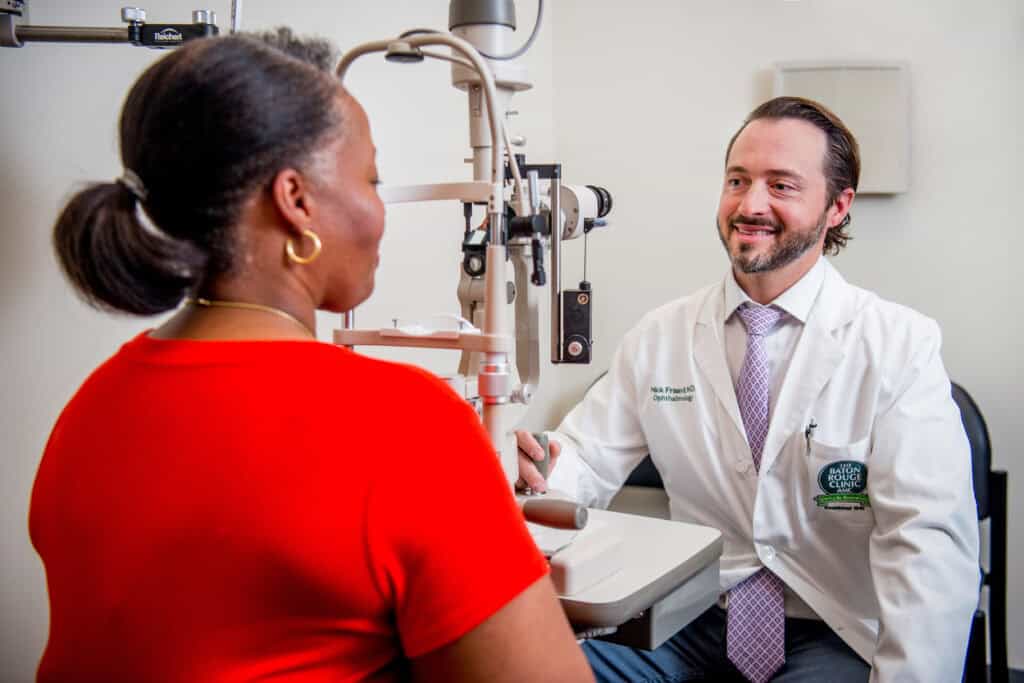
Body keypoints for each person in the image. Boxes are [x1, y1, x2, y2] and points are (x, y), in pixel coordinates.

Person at [30, 28, 593, 683]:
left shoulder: (89, 409)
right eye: (371, 178)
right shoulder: (408, 424)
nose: (381, 208)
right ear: (296, 201)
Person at [517, 96, 979, 682]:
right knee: (528, 666)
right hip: (690, 617)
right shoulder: (661, 336)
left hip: (831, 626)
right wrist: (537, 474)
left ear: (838, 206)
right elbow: (584, 457)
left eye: (781, 185)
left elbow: (926, 544)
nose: (750, 204)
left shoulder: (897, 345)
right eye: (738, 180)